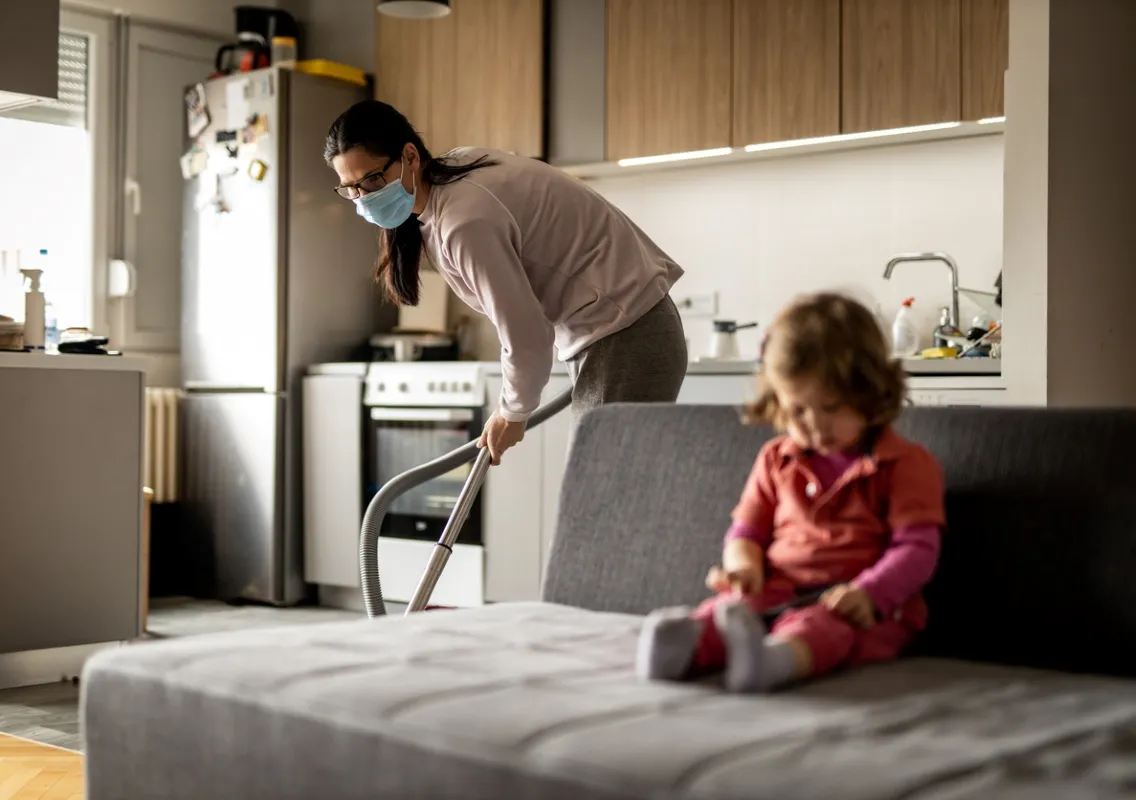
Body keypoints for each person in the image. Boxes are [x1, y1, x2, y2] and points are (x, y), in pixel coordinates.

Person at [324, 100, 688, 464]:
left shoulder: (464, 220)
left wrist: (512, 412)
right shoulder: (454, 174)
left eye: (373, 179)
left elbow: (525, 333)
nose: (365, 198)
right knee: (606, 497)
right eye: (351, 189)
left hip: (626, 335)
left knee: (601, 497)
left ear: (410, 155)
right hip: (620, 330)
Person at [635, 292, 946, 693]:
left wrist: (870, 592)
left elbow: (917, 548)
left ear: (870, 393)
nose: (816, 426)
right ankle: (680, 651)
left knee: (823, 627)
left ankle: (774, 661)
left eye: (831, 407)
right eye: (798, 411)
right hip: (778, 590)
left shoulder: (905, 464)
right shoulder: (776, 459)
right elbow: (746, 533)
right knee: (730, 610)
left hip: (861, 607)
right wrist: (743, 568)